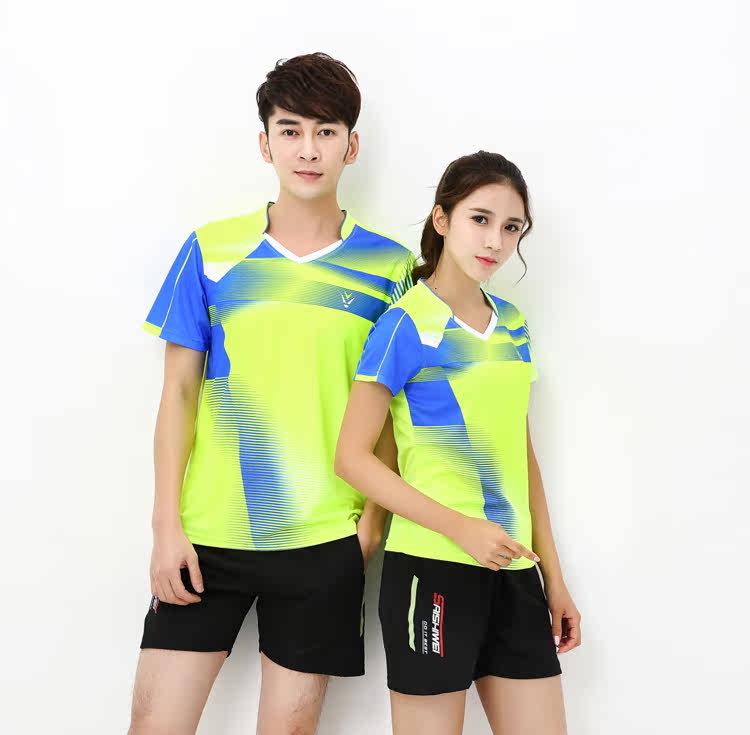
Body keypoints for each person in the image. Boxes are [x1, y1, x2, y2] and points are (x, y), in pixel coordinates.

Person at [129, 52, 415, 735]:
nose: (308, 149)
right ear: (265, 143)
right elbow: (177, 392)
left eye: (325, 131)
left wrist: (369, 529)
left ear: (351, 145)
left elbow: (394, 416)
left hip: (325, 538)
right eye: (290, 131)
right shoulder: (211, 250)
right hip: (206, 536)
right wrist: (166, 526)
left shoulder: (391, 268)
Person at [336, 151, 581, 734]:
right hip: (432, 571)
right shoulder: (403, 324)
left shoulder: (514, 324)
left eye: (512, 227)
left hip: (513, 570)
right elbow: (351, 458)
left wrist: (553, 578)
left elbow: (521, 457)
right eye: (480, 219)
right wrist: (460, 527)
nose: (495, 240)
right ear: (442, 219)